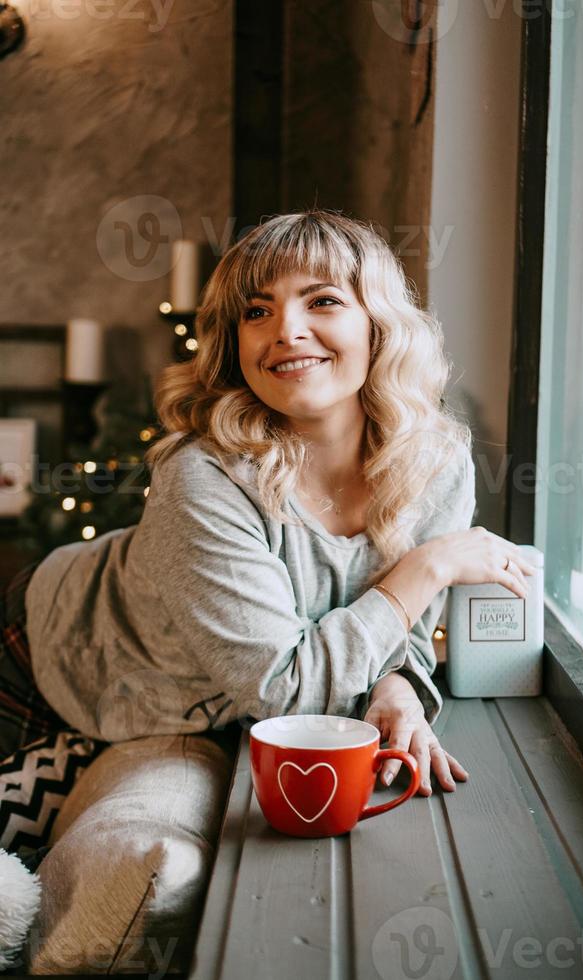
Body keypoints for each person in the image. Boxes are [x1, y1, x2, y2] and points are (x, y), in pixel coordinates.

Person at [4, 209, 537, 805]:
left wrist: (399, 687)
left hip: (208, 694)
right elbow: (285, 689)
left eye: (323, 301)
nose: (286, 329)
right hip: (46, 655)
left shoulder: (436, 464)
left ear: (378, 327)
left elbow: (401, 632)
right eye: (256, 312)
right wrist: (426, 569)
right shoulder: (202, 475)